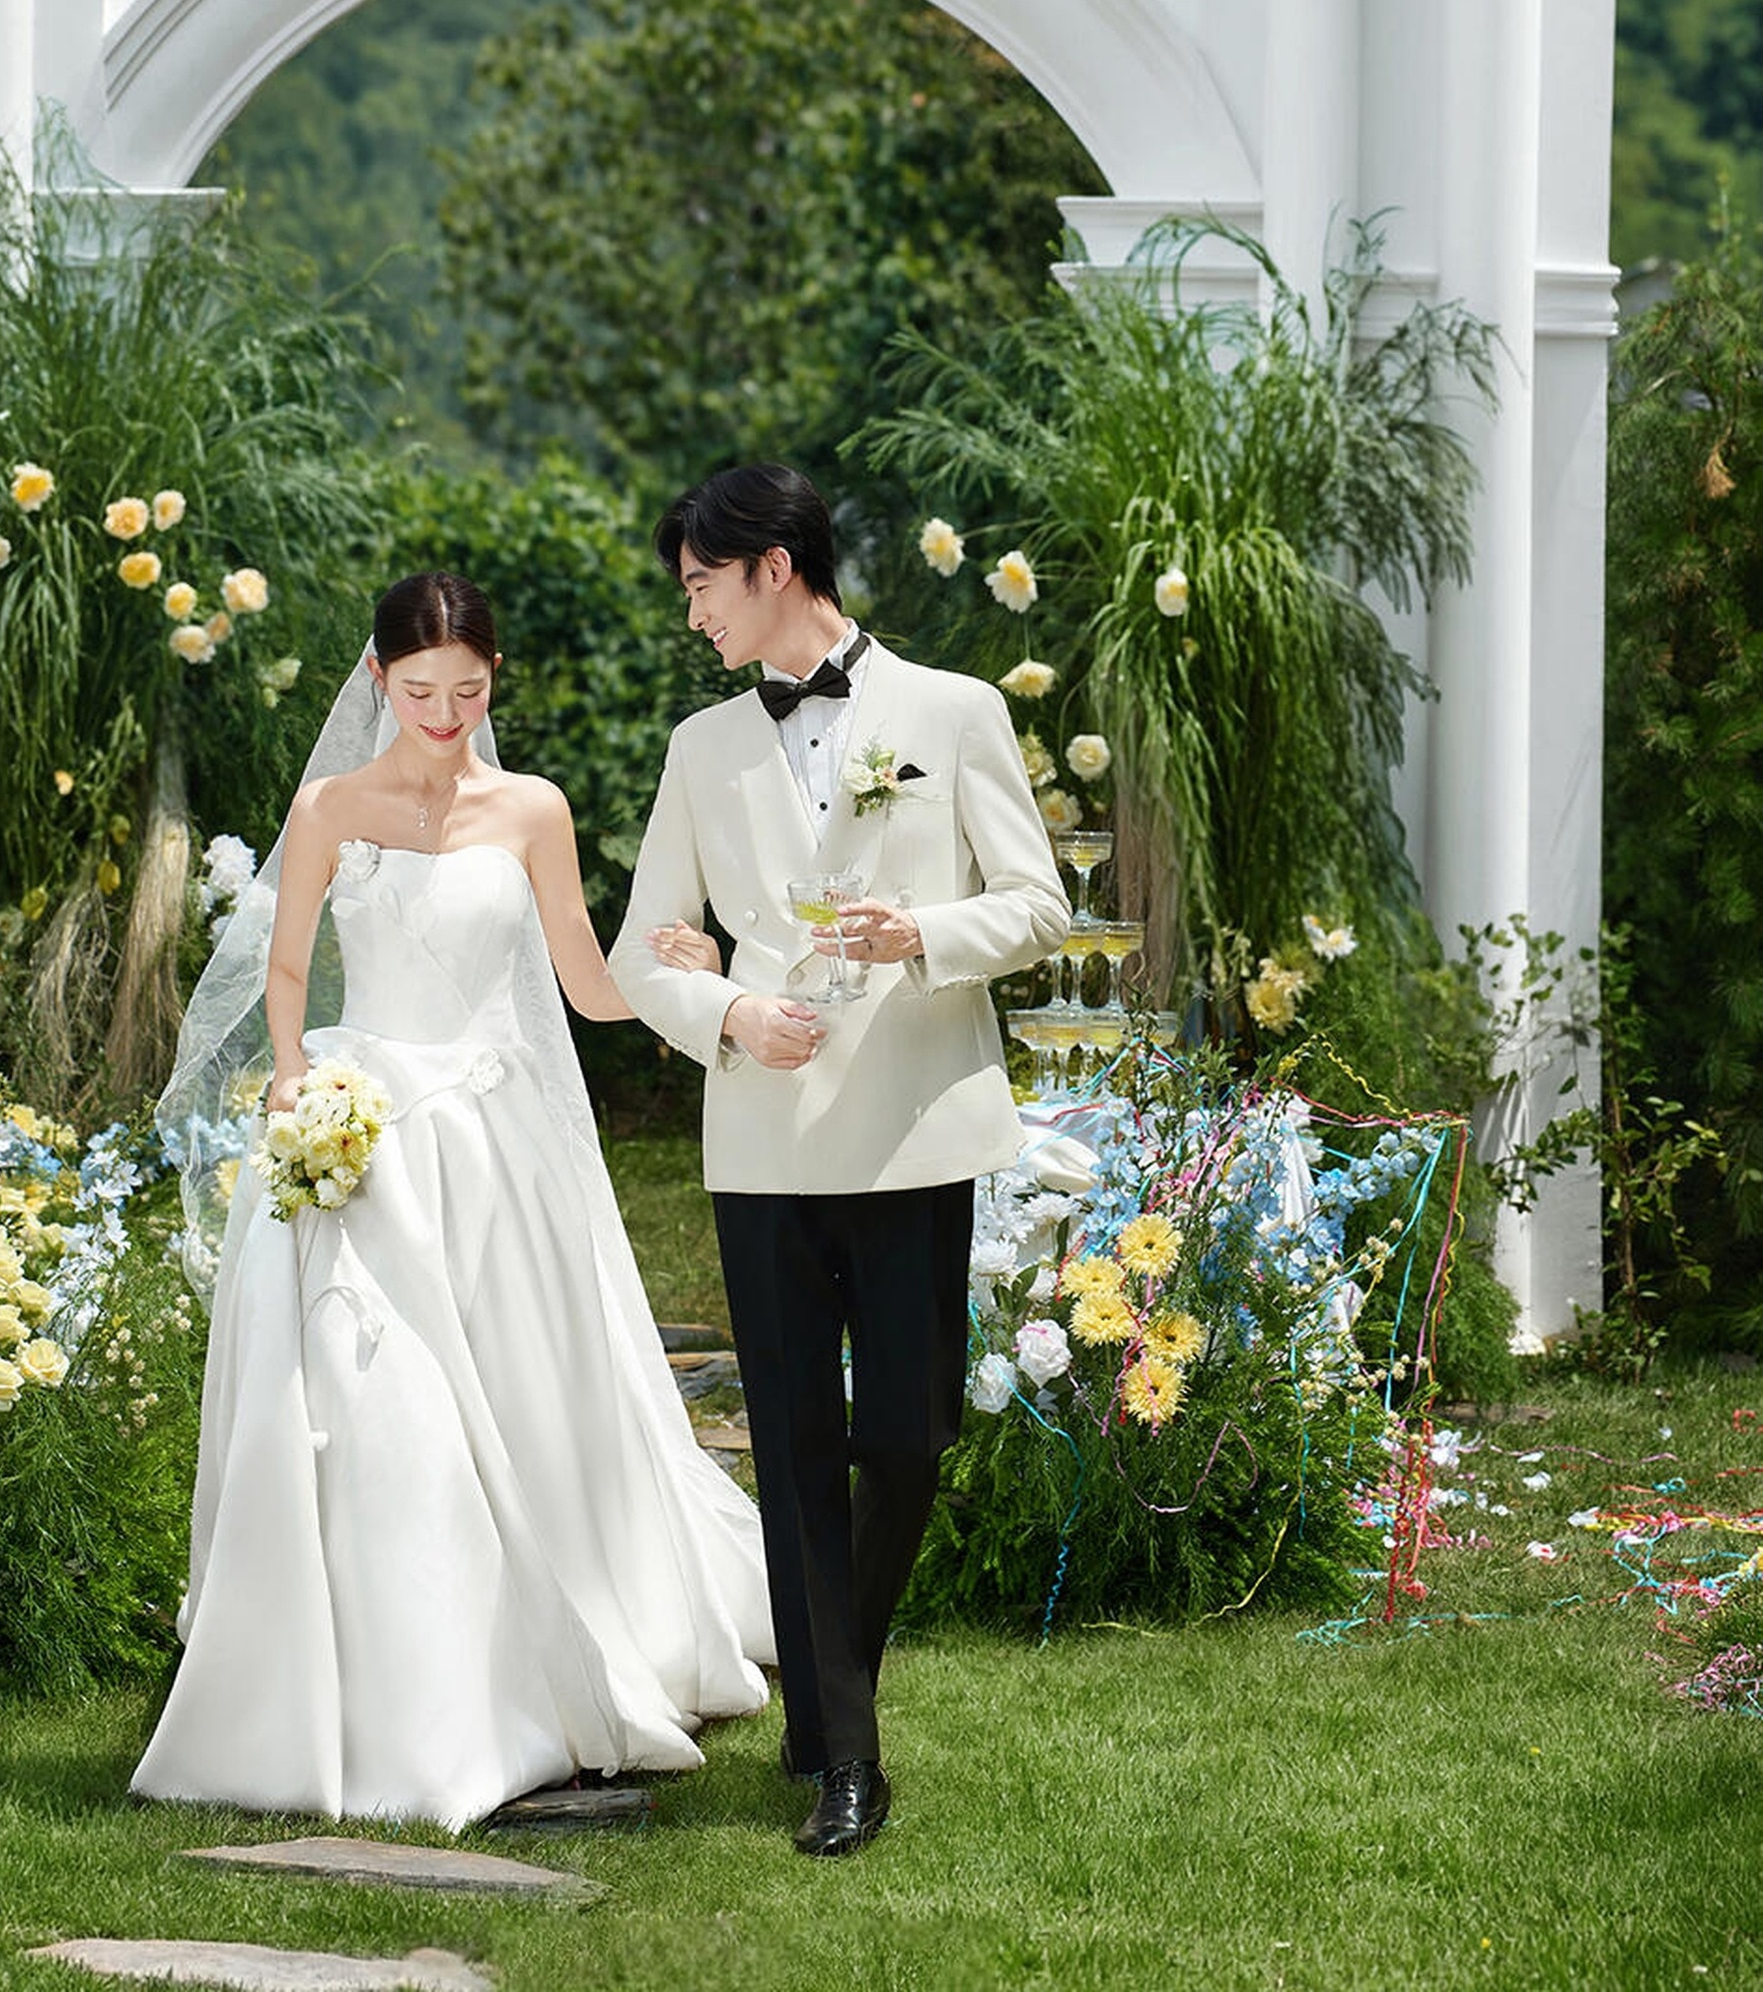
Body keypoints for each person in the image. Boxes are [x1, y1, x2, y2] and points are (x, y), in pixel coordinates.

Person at [134, 570, 772, 1829]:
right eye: (420, 690)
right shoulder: (329, 805)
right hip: (362, 1127)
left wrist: (695, 972)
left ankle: (530, 1654)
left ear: (493, 680)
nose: (442, 713)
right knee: (362, 1395)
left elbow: (586, 984)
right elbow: (287, 967)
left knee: (525, 1387)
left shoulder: (531, 808)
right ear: (378, 678)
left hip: (488, 1138)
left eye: (466, 691)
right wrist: (294, 1075)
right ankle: (366, 1683)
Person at [608, 465, 1069, 1857]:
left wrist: (924, 933)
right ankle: (847, 1763)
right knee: (798, 1445)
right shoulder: (700, 749)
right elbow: (640, 953)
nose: (692, 614)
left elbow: (1038, 906)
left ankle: (820, 1689)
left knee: (910, 1440)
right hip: (762, 1141)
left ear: (774, 566)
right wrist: (728, 1010)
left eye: (702, 585)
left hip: (918, 1130)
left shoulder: (954, 711)